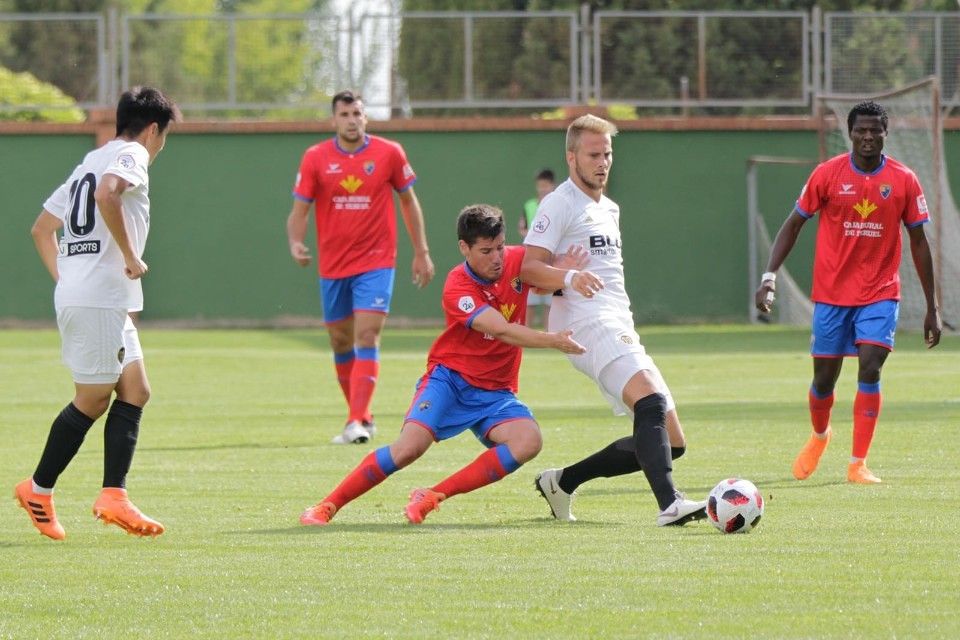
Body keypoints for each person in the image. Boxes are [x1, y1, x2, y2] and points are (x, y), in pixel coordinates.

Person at [299, 204, 587, 526]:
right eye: (486, 250)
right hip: (449, 381)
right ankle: (327, 506)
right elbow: (502, 330)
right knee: (408, 450)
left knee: (528, 441)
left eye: (501, 247)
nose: (497, 258)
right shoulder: (457, 286)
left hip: (495, 391)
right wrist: (554, 339)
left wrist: (564, 274)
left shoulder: (517, 261)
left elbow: (543, 277)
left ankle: (433, 495)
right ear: (464, 248)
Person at [520, 114, 706, 527]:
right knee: (650, 401)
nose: (602, 162)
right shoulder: (559, 204)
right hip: (585, 322)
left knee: (671, 443)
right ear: (571, 157)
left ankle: (563, 481)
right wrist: (568, 276)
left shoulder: (609, 208)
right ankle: (670, 503)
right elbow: (528, 270)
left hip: (616, 319)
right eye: (593, 154)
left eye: (607, 154)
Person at [15, 87, 180, 540]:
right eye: (164, 136)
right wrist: (130, 256)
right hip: (100, 296)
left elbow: (41, 229)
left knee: (136, 389)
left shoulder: (92, 158)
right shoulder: (131, 154)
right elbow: (110, 195)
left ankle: (114, 495)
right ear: (152, 130)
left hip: (95, 296)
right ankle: (38, 488)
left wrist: (68, 279)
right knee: (92, 399)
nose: (161, 145)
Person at [756, 100, 941, 484]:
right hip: (831, 296)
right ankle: (821, 436)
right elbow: (793, 225)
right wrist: (769, 276)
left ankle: (858, 463)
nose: (868, 136)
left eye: (875, 130)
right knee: (824, 380)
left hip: (880, 293)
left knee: (870, 366)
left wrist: (931, 306)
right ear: (850, 133)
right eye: (861, 130)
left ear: (885, 134)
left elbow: (919, 242)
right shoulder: (827, 174)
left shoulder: (904, 179)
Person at [286, 90, 435, 445]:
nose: (352, 120)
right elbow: (299, 211)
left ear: (365, 118)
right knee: (340, 341)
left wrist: (421, 251)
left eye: (357, 113)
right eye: (345, 114)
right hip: (334, 265)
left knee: (367, 335)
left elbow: (409, 202)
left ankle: (354, 420)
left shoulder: (389, 153)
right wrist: (295, 242)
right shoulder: (315, 158)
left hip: (377, 261)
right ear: (333, 120)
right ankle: (362, 415)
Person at [518, 168, 557, 328]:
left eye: (546, 185)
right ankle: (527, 331)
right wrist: (534, 235)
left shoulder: (558, 205)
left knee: (550, 300)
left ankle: (549, 332)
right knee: (530, 299)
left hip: (552, 258)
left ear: (552, 186)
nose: (543, 189)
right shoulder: (529, 205)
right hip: (531, 257)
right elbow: (522, 227)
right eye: (540, 185)